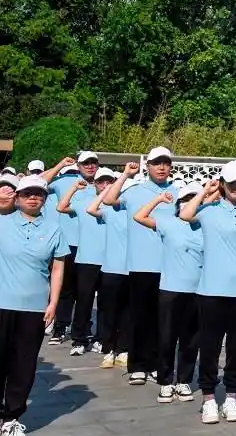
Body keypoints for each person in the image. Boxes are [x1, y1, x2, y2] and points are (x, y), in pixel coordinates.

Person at [179, 161, 236, 425]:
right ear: (222, 184)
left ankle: (231, 397)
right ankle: (208, 398)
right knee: (209, 346)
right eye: (232, 183)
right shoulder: (209, 210)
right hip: (211, 289)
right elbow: (185, 214)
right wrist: (205, 192)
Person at [100, 148, 178, 385]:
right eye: (156, 163)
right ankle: (138, 365)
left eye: (165, 163)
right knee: (139, 317)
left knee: (163, 320)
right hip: (141, 264)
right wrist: (125, 175)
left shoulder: (177, 191)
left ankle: (157, 364)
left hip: (170, 265)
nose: (161, 167)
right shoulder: (134, 190)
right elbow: (108, 200)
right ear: (148, 166)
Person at [0, 175, 70, 436]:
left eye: (38, 194)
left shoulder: (53, 228)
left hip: (34, 308)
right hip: (2, 303)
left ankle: (11, 417)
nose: (33, 198)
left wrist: (53, 303)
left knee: (24, 364)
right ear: (17, 198)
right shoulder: (3, 222)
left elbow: (58, 268)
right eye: (27, 193)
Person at [133, 183, 203, 404]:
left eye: (195, 199)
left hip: (198, 290)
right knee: (166, 338)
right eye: (187, 199)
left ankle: (184, 380)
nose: (191, 203)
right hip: (171, 289)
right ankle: (165, 381)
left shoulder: (205, 226)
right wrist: (159, 199)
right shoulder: (169, 223)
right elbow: (139, 216)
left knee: (191, 340)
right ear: (179, 203)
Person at [55, 163, 114, 357]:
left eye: (109, 181)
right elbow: (61, 207)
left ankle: (101, 339)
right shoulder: (84, 201)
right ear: (94, 184)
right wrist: (73, 188)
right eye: (101, 182)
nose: (105, 185)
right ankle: (79, 340)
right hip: (87, 260)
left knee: (106, 303)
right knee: (84, 301)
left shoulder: (117, 204)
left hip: (111, 261)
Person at [88, 177, 133, 370]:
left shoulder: (139, 214)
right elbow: (91, 209)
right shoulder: (110, 211)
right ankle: (109, 349)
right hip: (111, 269)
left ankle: (123, 349)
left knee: (128, 313)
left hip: (132, 269)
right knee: (109, 312)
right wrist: (107, 190)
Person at [41, 156, 83, 345]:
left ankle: (82, 331)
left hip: (92, 246)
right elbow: (40, 182)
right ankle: (60, 326)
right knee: (66, 288)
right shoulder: (60, 181)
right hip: (67, 243)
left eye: (93, 163)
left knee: (84, 292)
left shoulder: (101, 184)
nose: (89, 166)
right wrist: (60, 165)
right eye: (85, 163)